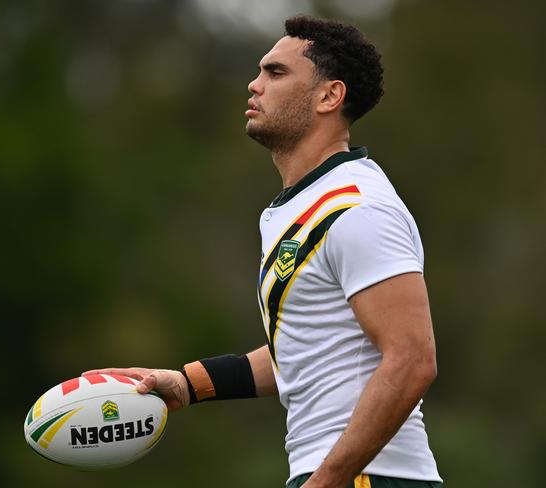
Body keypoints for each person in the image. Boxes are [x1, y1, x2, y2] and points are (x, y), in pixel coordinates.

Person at [84, 15, 442, 488]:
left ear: (329, 96)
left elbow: (414, 358)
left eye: (275, 73)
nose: (254, 86)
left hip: (371, 477)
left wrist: (328, 480)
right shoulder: (299, 208)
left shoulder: (357, 207)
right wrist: (188, 384)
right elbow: (304, 351)